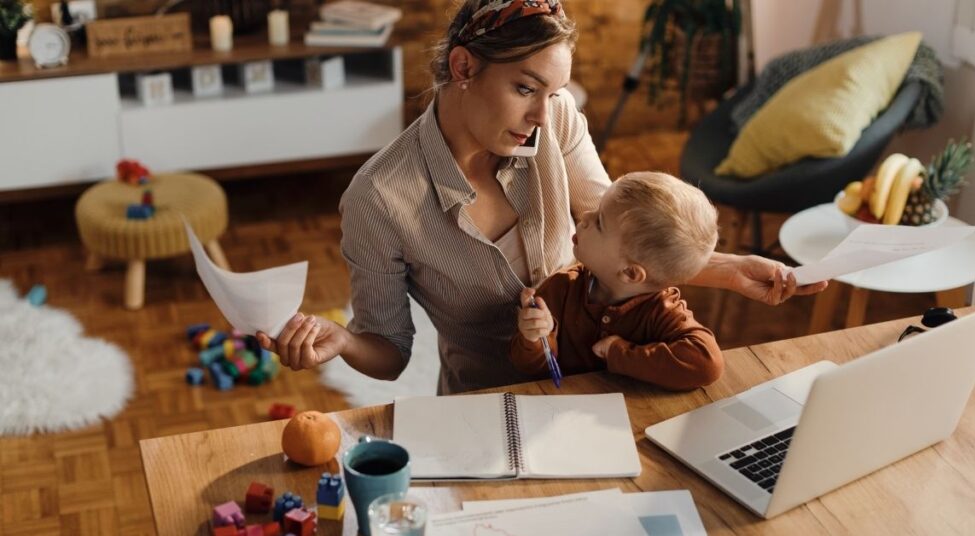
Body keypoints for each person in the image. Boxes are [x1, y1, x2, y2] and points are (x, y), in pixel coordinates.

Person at [257, 0, 827, 395]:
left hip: (598, 388)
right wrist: (344, 343)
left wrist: (727, 271)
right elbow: (390, 352)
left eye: (552, 92)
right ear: (463, 67)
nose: (541, 116)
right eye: (526, 88)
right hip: (486, 405)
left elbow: (622, 232)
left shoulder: (555, 119)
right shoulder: (379, 198)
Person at [511, 172, 723, 390]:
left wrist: (620, 353)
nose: (584, 216)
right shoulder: (560, 288)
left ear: (630, 273)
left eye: (599, 222)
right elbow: (530, 368)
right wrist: (535, 338)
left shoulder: (663, 310)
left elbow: (707, 364)